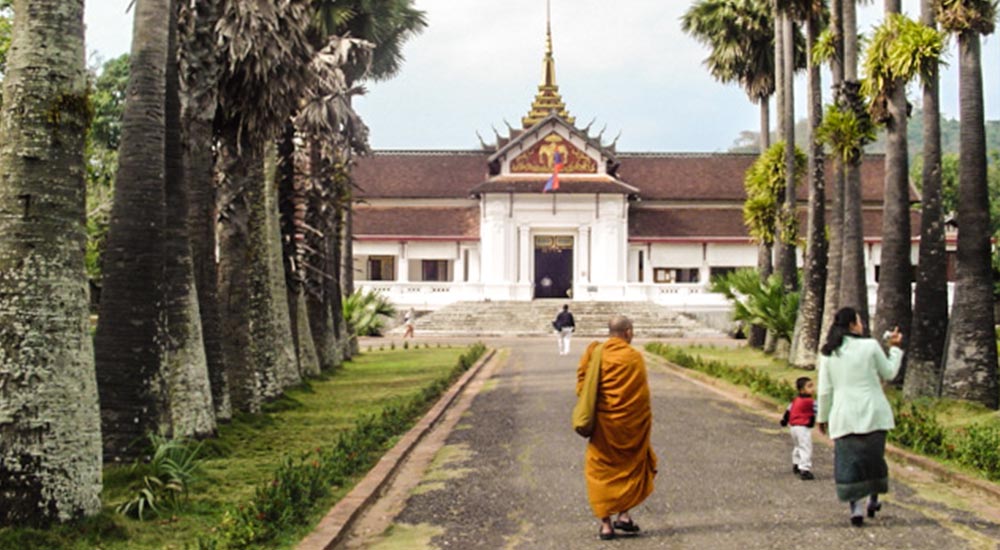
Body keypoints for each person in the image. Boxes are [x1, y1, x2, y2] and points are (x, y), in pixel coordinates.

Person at [816, 307, 903, 527]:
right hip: (874, 412)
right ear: (853, 325)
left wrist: (822, 417)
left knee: (849, 464)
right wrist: (894, 349)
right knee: (874, 459)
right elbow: (890, 373)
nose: (862, 324)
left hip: (843, 416)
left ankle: (856, 508)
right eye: (859, 321)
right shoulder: (870, 346)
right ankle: (873, 500)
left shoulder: (828, 353)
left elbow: (825, 390)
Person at [576, 315, 657, 540]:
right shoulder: (634, 358)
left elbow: (583, 385)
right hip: (630, 426)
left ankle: (607, 525)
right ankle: (624, 514)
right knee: (629, 466)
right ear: (628, 332)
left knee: (601, 471)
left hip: (604, 425)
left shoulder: (595, 353)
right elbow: (641, 397)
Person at [780, 376, 816, 480]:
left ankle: (796, 463)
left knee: (798, 446)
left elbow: (788, 411)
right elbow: (821, 410)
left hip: (793, 427)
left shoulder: (795, 400)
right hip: (803, 427)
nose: (813, 388)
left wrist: (784, 420)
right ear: (802, 390)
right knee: (806, 447)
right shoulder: (810, 402)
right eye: (809, 386)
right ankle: (805, 469)